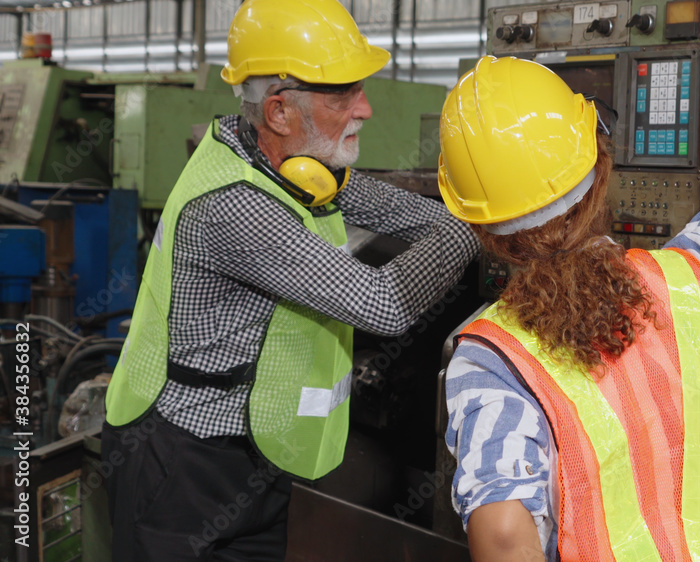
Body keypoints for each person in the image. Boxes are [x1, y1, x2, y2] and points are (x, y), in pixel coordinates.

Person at [100, 0, 479, 559]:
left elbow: (424, 217)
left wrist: (469, 216)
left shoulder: (298, 168)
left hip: (260, 452)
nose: (366, 109)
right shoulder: (233, 205)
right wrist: (480, 230)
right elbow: (387, 303)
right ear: (279, 112)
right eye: (343, 94)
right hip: (183, 464)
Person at [439, 0, 700, 559]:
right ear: (600, 169)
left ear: (483, 228)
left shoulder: (492, 356)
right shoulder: (695, 282)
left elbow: (502, 531)